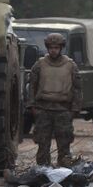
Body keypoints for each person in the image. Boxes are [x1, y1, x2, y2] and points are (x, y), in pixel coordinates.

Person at [27, 33, 82, 167]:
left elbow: (77, 88)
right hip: (43, 109)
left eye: (56, 47)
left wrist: (75, 108)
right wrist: (32, 105)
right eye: (51, 47)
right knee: (42, 144)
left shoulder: (70, 65)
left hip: (63, 109)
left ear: (61, 48)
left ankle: (64, 170)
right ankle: (43, 170)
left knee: (64, 143)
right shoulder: (39, 64)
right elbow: (32, 86)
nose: (53, 50)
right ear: (47, 48)